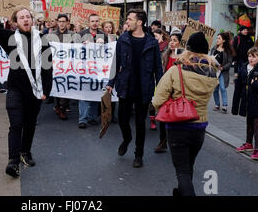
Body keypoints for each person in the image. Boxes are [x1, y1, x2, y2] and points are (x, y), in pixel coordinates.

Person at [0, 0, 53, 178]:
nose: (25, 19)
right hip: (15, 90)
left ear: (32, 20)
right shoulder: (9, 38)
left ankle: (26, 152)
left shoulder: (43, 40)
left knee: (30, 124)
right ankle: (13, 161)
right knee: (16, 125)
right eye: (21, 17)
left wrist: (46, 92)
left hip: (36, 91)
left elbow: (48, 68)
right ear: (15, 22)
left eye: (28, 16)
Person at [152, 32, 219, 196]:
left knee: (181, 171)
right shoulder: (212, 73)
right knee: (188, 166)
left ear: (188, 49)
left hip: (178, 126)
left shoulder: (177, 71)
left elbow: (158, 99)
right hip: (200, 126)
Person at [106, 9, 163, 168]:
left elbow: (158, 67)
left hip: (144, 88)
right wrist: (111, 82)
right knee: (123, 120)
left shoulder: (152, 42)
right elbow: (116, 63)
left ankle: (139, 155)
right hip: (125, 86)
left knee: (140, 123)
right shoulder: (123, 39)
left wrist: (162, 89)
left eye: (130, 19)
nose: (127, 22)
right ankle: (127, 138)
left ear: (139, 22)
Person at [232, 46, 258, 160]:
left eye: (253, 57)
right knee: (249, 123)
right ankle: (248, 144)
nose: (251, 59)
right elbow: (238, 87)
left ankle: (257, 149)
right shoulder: (244, 67)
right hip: (247, 101)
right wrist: (235, 105)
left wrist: (255, 84)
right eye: (249, 56)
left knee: (257, 124)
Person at [151, 30, 182, 153]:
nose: (172, 43)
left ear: (180, 43)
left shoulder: (183, 57)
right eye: (171, 40)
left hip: (177, 92)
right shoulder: (165, 55)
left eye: (175, 41)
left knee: (176, 118)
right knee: (163, 116)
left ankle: (176, 142)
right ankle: (162, 141)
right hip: (166, 90)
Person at [78, 14, 108, 129]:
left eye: (96, 21)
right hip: (85, 68)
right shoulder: (81, 34)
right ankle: (83, 119)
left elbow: (109, 52)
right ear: (88, 22)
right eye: (92, 21)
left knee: (95, 92)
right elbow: (74, 49)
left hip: (98, 69)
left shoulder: (104, 35)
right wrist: (82, 45)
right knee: (85, 93)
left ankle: (93, 117)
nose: (94, 23)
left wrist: (104, 45)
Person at [49, 14, 75, 121]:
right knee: (57, 85)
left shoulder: (73, 35)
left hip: (68, 65)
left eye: (64, 21)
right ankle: (58, 105)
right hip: (55, 65)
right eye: (60, 21)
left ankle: (63, 109)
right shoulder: (52, 34)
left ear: (67, 22)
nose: (62, 23)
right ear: (57, 22)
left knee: (66, 86)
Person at [210, 32, 236, 114]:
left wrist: (223, 67)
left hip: (222, 72)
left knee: (222, 88)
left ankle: (224, 105)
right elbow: (210, 58)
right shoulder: (214, 48)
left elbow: (229, 62)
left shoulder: (227, 50)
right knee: (215, 89)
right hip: (214, 72)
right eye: (217, 38)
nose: (217, 40)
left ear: (223, 40)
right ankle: (217, 104)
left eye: (219, 38)